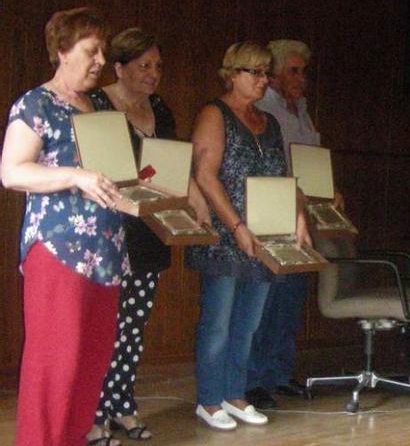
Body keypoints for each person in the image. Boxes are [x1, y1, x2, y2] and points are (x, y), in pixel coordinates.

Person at [0, 7, 127, 446]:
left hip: (107, 253)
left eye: (103, 52)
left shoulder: (97, 108)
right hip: (59, 251)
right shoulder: (36, 103)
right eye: (92, 51)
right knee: (56, 365)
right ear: (61, 51)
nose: (100, 61)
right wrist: (76, 176)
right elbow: (12, 172)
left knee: (90, 362)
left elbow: (115, 173)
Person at [88, 28, 210, 440]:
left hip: (151, 229)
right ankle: (95, 412)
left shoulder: (161, 108)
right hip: (109, 230)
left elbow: (174, 163)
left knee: (133, 327)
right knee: (103, 327)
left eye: (157, 66)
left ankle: (122, 404)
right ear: (118, 67)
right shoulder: (97, 104)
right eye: (143, 65)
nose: (153, 74)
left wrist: (195, 198)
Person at [187, 41, 311, 430]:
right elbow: (205, 175)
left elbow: (281, 176)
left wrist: (298, 215)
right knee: (218, 322)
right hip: (225, 237)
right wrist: (237, 227)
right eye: (253, 72)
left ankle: (235, 393)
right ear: (231, 74)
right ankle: (209, 399)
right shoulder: (214, 113)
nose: (262, 80)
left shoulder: (269, 123)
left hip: (264, 237)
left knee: (249, 323)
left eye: (264, 73)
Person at [246, 39, 342, 409]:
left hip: (303, 218)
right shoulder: (263, 109)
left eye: (304, 71)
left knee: (289, 301)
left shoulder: (301, 109)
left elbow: (311, 159)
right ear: (272, 75)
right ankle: (254, 381)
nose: (303, 79)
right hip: (274, 213)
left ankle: (278, 374)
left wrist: (329, 191)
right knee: (266, 300)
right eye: (294, 71)